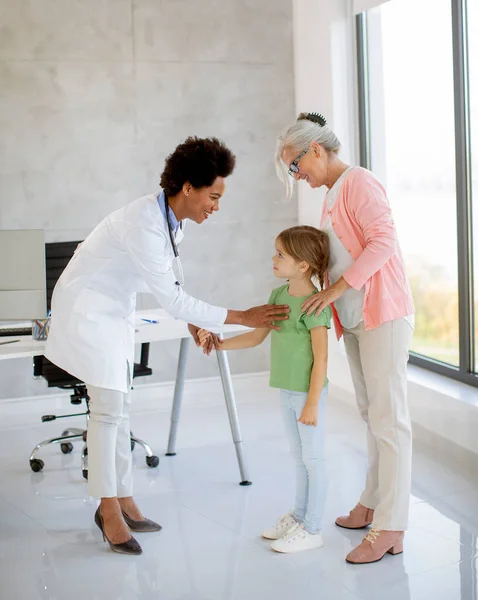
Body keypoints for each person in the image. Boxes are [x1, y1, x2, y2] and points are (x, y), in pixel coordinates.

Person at [45, 137, 289, 556]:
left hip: (114, 313)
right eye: (213, 196)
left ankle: (123, 499)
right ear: (188, 187)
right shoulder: (143, 221)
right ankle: (108, 511)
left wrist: (195, 323)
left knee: (119, 412)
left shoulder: (171, 221)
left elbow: (171, 287)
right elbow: (173, 297)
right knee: (106, 414)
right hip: (88, 313)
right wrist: (243, 316)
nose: (216, 206)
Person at [275, 112, 415, 564]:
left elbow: (383, 241)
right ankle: (372, 502)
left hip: (383, 317)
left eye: (296, 166)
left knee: (389, 421)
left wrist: (335, 289)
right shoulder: (333, 194)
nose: (297, 176)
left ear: (315, 150)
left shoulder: (361, 183)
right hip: (354, 320)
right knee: (371, 414)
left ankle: (391, 525)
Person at [198, 225, 331, 554]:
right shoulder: (279, 295)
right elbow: (257, 336)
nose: (273, 258)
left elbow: (322, 359)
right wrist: (221, 345)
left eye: (280, 254)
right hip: (286, 390)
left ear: (302, 265)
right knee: (299, 458)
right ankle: (299, 518)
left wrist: (312, 402)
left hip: (306, 393)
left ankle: (313, 529)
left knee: (313, 459)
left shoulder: (316, 305)